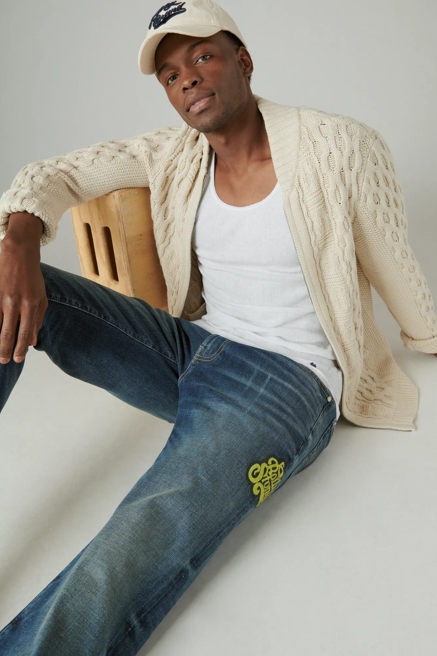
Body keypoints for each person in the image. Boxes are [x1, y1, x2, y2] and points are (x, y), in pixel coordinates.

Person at [0, 0, 436, 653]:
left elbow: (392, 259)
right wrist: (17, 241)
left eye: (203, 56)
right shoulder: (174, 153)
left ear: (243, 60)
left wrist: (426, 335)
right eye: (171, 75)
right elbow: (53, 175)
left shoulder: (338, 145)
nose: (189, 81)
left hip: (283, 387)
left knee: (134, 540)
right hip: (190, 349)